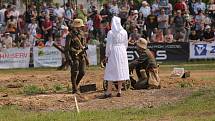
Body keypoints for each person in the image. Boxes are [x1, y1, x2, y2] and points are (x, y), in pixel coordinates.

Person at [103, 16, 129, 98]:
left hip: (114, 51)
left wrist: (107, 55)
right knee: (121, 70)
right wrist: (123, 51)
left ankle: (109, 91)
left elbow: (109, 45)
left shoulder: (111, 33)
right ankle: (119, 91)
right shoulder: (124, 32)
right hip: (122, 51)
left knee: (111, 70)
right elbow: (126, 44)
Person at [65, 19, 88, 94]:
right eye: (78, 26)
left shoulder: (82, 33)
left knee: (82, 72)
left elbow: (83, 45)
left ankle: (75, 85)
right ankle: (74, 88)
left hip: (82, 55)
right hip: (73, 55)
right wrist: (68, 59)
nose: (80, 28)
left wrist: (86, 57)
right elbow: (67, 49)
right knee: (74, 72)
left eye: (80, 26)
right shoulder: (70, 35)